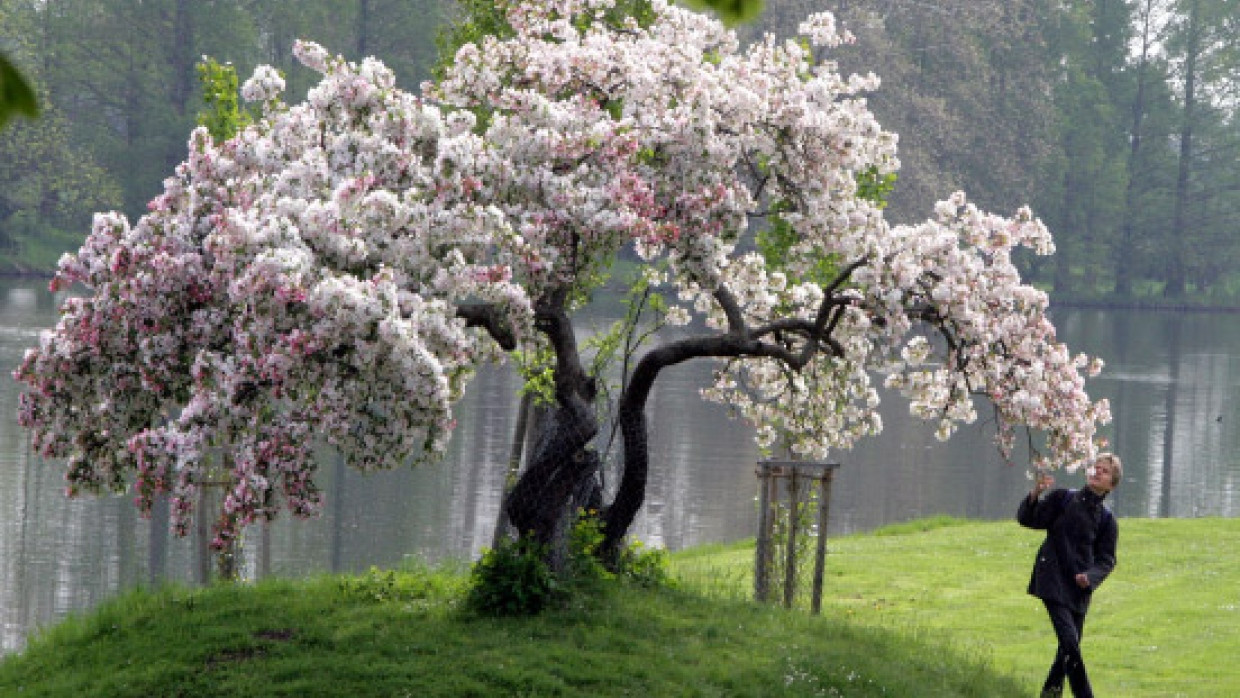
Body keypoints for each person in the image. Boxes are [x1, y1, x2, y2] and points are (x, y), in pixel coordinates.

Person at [1017, 453, 1121, 698]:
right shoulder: (1062, 499)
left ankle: (1049, 694)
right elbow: (1029, 519)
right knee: (1070, 645)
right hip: (1051, 579)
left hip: (1078, 589)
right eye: (1095, 467)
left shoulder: (1107, 521)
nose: (1096, 472)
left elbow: (1107, 560)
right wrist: (1035, 495)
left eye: (1104, 471)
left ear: (1112, 485)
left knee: (1066, 649)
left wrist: (1090, 577)